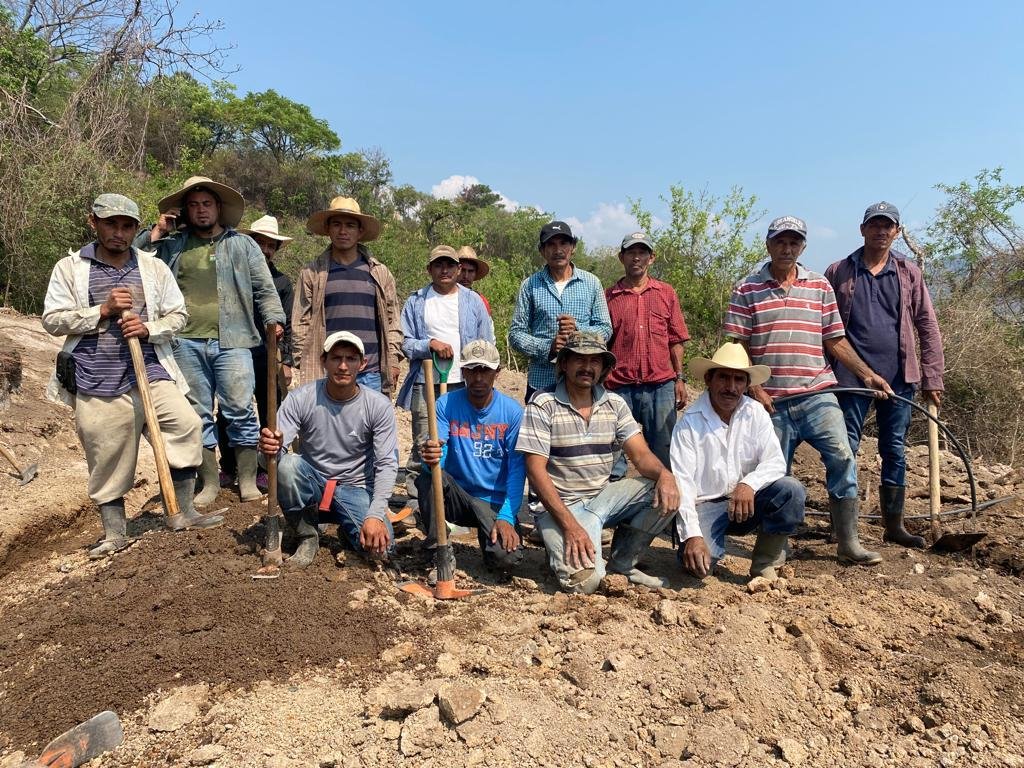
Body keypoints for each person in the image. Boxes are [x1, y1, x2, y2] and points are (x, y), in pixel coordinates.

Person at [43, 194, 223, 559]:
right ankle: (114, 534)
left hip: (151, 369)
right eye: (111, 224)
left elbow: (178, 316)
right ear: (93, 222)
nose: (119, 233)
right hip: (95, 375)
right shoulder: (71, 267)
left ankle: (184, 511)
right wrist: (102, 311)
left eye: (127, 226)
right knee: (106, 453)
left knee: (186, 425)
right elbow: (52, 319)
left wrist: (148, 327)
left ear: (137, 229)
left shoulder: (152, 267)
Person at [723, 215, 891, 566]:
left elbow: (836, 340)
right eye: (780, 242)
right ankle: (776, 544)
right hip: (772, 401)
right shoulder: (746, 288)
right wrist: (754, 389)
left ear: (802, 247)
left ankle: (848, 542)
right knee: (775, 473)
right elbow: (736, 346)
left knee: (843, 457)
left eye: (794, 243)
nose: (787, 248)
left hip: (817, 394)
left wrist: (867, 375)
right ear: (768, 244)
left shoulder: (819, 286)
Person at [134, 175, 286, 506]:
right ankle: (210, 483)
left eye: (206, 204)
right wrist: (157, 230)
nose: (201, 211)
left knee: (240, 409)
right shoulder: (172, 246)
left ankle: (247, 480)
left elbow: (263, 287)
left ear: (218, 208)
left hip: (234, 339)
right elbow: (134, 262)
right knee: (197, 412)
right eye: (193, 205)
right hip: (184, 341)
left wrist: (275, 319)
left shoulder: (242, 244)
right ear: (185, 211)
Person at [515, 332, 680, 594]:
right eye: (579, 360)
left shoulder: (614, 404)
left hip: (602, 498)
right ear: (564, 364)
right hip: (561, 506)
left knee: (665, 490)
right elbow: (535, 472)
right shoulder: (542, 404)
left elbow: (641, 455)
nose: (587, 367)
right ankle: (559, 548)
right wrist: (570, 527)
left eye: (595, 361)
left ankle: (623, 563)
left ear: (603, 368)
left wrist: (665, 475)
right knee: (586, 583)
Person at [825, 202, 945, 549]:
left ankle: (895, 525)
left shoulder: (908, 273)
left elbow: (927, 325)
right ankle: (842, 525)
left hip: (899, 377)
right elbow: (826, 326)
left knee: (894, 449)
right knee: (844, 448)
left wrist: (932, 377)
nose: (880, 231)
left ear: (897, 231)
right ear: (862, 230)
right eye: (874, 225)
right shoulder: (840, 271)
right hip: (849, 377)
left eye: (887, 226)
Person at [257, 331, 398, 567]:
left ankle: (348, 529)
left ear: (362, 364)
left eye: (351, 359)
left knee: (383, 548)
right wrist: (267, 450)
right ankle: (307, 535)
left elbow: (387, 465)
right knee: (289, 465)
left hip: (355, 487)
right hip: (314, 484)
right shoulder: (301, 398)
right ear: (324, 361)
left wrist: (374, 515)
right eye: (336, 358)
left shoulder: (378, 406)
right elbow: (268, 461)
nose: (343, 366)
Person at [671, 342, 806, 581]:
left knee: (791, 490)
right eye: (723, 378)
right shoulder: (689, 423)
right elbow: (683, 485)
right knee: (698, 568)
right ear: (709, 380)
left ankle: (764, 564)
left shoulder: (755, 413)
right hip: (706, 506)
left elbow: (775, 462)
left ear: (746, 384)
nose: (731, 387)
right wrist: (692, 535)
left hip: (747, 503)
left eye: (738, 380)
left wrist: (748, 485)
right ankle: (690, 546)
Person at [398, 245, 495, 514]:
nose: (445, 270)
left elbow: (486, 341)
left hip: (464, 383)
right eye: (438, 265)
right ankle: (418, 501)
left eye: (450, 265)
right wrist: (429, 344)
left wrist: (483, 376)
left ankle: (456, 498)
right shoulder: (416, 301)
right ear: (429, 269)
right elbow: (404, 342)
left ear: (458, 269)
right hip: (425, 380)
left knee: (462, 439)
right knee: (425, 441)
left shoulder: (472, 301)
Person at [418, 339, 525, 578]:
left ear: (497, 373)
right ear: (463, 371)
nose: (479, 377)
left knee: (507, 559)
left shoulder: (513, 412)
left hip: (493, 500)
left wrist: (507, 516)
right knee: (427, 478)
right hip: (459, 496)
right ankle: (439, 549)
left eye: (485, 370)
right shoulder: (446, 404)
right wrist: (431, 458)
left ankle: (490, 540)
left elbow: (518, 470)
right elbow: (439, 455)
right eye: (472, 370)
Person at [292, 196, 401, 396]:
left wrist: (392, 359)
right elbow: (301, 323)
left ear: (360, 232)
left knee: (371, 427)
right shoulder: (313, 273)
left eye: (350, 225)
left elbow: (393, 321)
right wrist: (304, 361)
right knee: (327, 426)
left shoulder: (379, 273)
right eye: (337, 224)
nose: (343, 231)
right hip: (328, 372)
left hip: (371, 372)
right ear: (328, 229)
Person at [216, 214, 295, 488]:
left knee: (269, 410)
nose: (265, 249)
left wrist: (286, 360)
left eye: (270, 244)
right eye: (259, 242)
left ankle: (264, 467)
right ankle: (228, 465)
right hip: (235, 350)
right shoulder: (232, 276)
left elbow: (288, 322)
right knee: (230, 409)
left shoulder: (283, 283)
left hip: (267, 354)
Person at [605, 231, 690, 473]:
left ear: (651, 258)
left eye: (642, 252)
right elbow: (603, 343)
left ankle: (663, 507)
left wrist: (680, 378)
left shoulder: (666, 293)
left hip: (660, 385)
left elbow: (676, 339)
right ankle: (617, 506)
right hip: (619, 386)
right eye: (631, 252)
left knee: (664, 453)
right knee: (614, 456)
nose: (636, 257)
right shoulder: (608, 297)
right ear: (621, 257)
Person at [510, 221, 612, 401]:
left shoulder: (591, 283)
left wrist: (578, 331)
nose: (558, 250)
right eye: (551, 244)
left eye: (564, 243)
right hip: (542, 381)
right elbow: (516, 334)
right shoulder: (530, 285)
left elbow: (605, 328)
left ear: (573, 247)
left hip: (584, 382)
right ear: (542, 250)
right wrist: (548, 347)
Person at [457, 245, 492, 315]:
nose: (466, 276)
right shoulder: (443, 296)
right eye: (463, 270)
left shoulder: (481, 301)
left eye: (470, 271)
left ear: (475, 273)